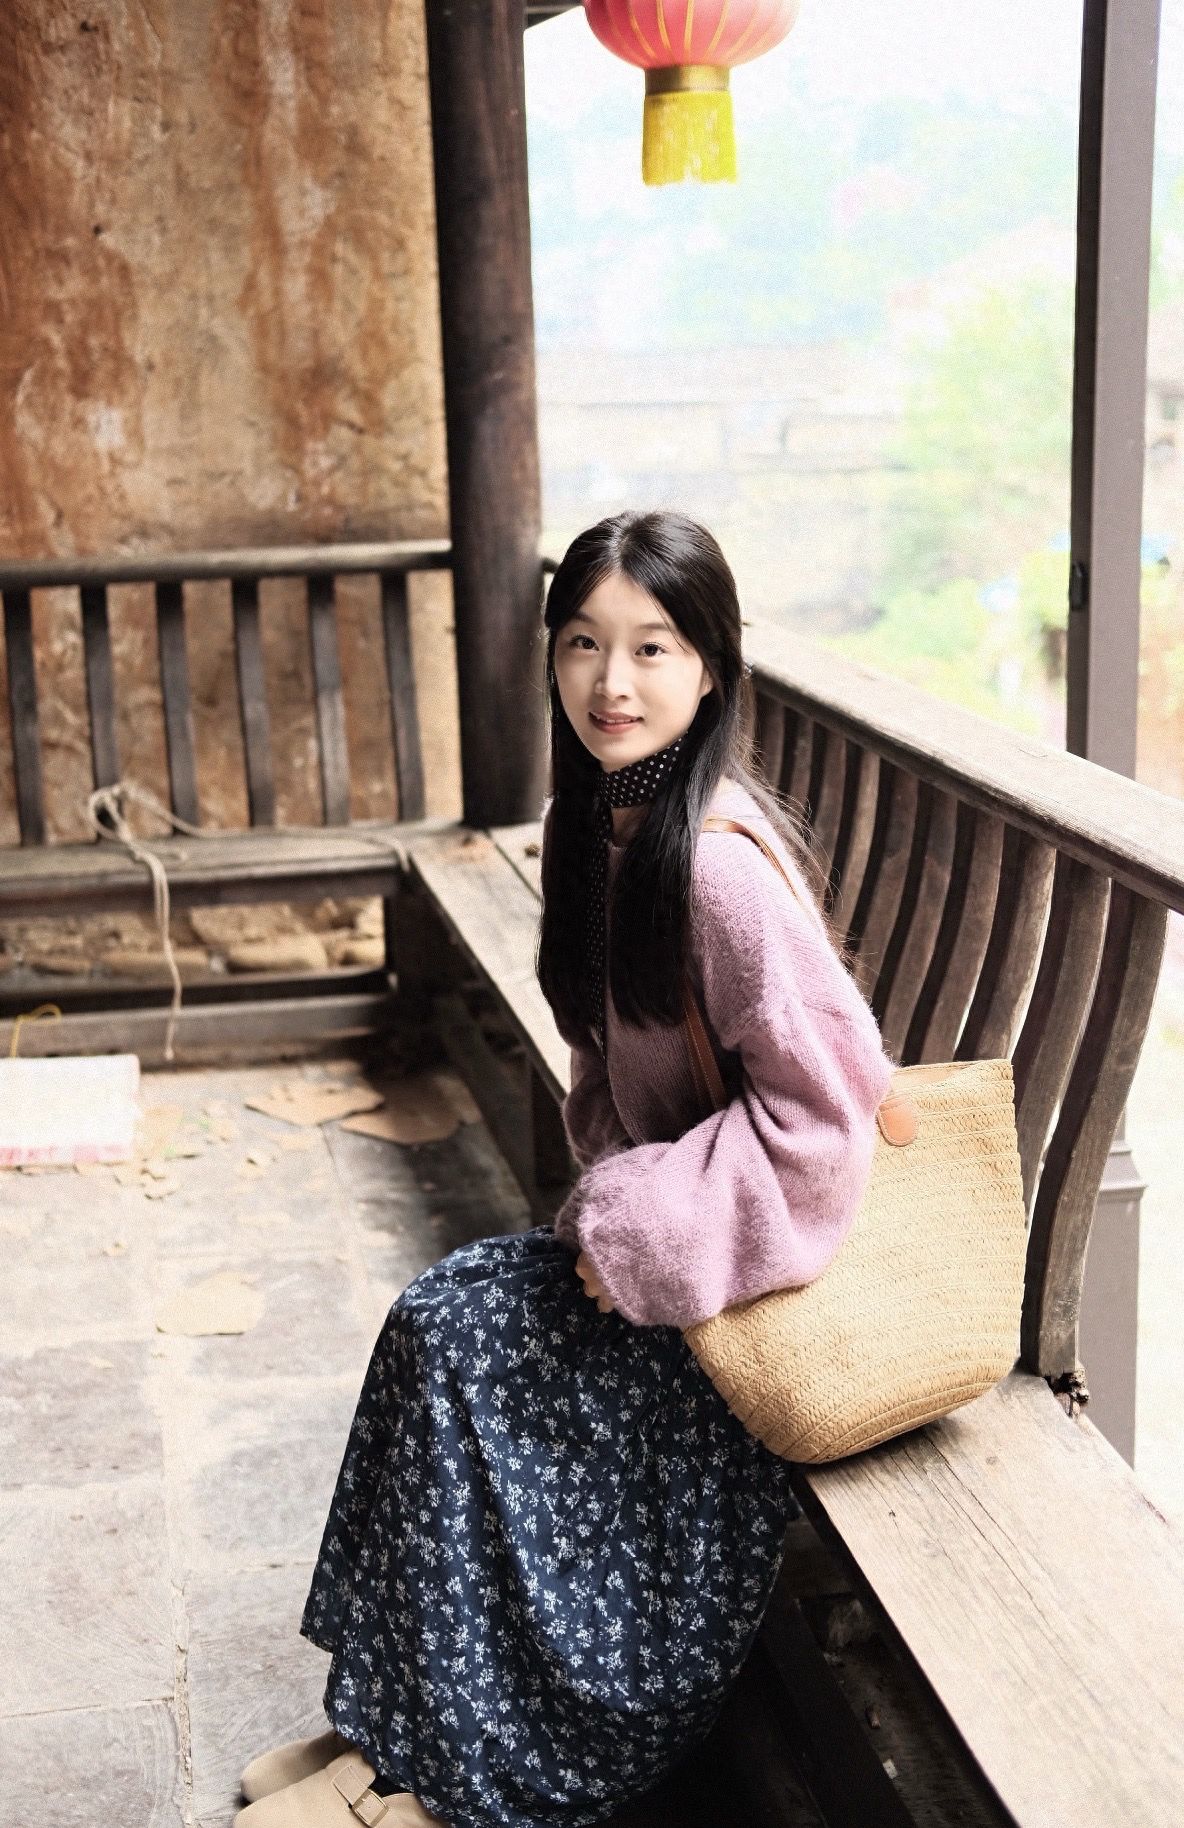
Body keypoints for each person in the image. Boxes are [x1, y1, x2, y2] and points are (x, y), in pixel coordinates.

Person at [234, 509, 896, 1828]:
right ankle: (396, 1726)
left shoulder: (719, 878)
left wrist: (635, 1236)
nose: (614, 681)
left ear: (710, 667)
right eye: (585, 643)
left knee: (478, 1358)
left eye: (654, 648)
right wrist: (603, 1232)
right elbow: (614, 1080)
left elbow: (831, 1122)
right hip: (649, 1252)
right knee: (441, 1327)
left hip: (740, 1281)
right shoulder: (590, 827)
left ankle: (469, 1782)